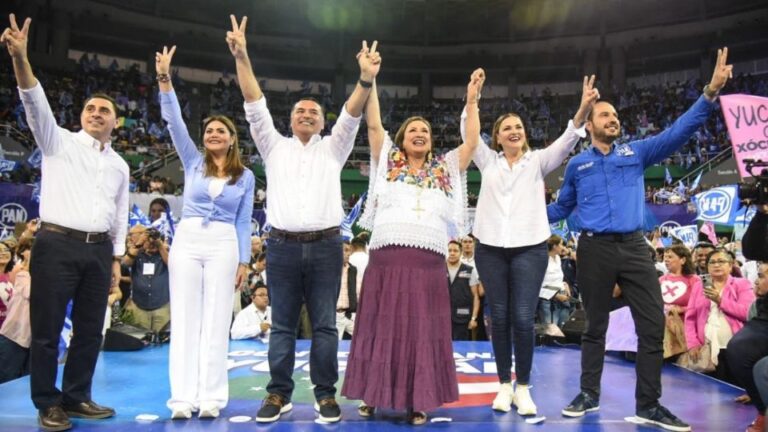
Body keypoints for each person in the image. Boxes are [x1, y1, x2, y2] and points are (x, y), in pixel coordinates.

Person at [547, 48, 733, 431]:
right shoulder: (577, 165)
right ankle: (588, 395)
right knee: (594, 326)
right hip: (594, 248)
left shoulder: (637, 152)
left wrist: (709, 94)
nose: (613, 119)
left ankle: (648, 405)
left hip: (634, 248)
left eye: (616, 116)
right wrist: (516, 218)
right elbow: (560, 208)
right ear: (591, 124)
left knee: (651, 325)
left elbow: (679, 131)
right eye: (606, 115)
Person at [228, 15, 379, 423]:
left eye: (314, 111)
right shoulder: (272, 146)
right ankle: (278, 395)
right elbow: (254, 104)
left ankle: (326, 395)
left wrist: (364, 81)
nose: (308, 114)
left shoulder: (335, 148)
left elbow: (351, 114)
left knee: (326, 326)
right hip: (281, 247)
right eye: (301, 111)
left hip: (328, 246)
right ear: (291, 119)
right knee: (281, 327)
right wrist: (242, 56)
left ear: (322, 121)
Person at [3, 14, 129, 432]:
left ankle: (77, 396)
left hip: (98, 250)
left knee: (91, 330)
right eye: (91, 108)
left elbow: (120, 212)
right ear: (82, 115)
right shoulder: (56, 141)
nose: (97, 113)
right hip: (56, 245)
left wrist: (115, 257)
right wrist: (21, 58)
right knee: (47, 328)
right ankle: (47, 402)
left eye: (105, 110)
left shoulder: (121, 165)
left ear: (116, 121)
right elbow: (32, 99)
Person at [342, 64, 484, 425]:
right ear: (403, 138)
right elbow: (373, 124)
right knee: (381, 327)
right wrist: (369, 78)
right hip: (387, 261)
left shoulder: (447, 168)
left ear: (432, 141)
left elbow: (471, 142)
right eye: (413, 130)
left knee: (422, 331)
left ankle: (419, 399)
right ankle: (373, 395)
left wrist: (472, 100)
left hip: (428, 266)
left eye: (426, 131)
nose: (419, 134)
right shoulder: (388, 159)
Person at [462, 75, 598, 415]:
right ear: (497, 137)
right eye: (506, 128)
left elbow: (568, 140)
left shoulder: (538, 161)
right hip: (491, 248)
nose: (513, 131)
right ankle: (503, 386)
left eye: (518, 127)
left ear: (525, 133)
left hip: (529, 249)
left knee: (523, 318)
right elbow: (470, 132)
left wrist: (582, 109)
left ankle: (523, 386)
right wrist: (472, 100)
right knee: (500, 316)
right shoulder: (487, 160)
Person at [156, 44, 255, 420]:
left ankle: (212, 396)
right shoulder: (192, 161)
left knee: (216, 320)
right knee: (185, 317)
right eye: (209, 130)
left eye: (221, 130)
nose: (213, 133)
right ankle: (182, 398)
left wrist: (244, 259)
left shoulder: (245, 177)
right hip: (188, 240)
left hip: (224, 244)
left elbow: (244, 221)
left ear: (232, 139)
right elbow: (173, 122)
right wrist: (165, 79)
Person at [681, 249, 754, 380]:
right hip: (706, 347)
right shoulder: (699, 286)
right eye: (712, 262)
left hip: (734, 347)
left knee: (735, 386)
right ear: (707, 267)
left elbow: (747, 313)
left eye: (721, 261)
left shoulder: (742, 284)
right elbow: (690, 318)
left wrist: (720, 301)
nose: (716, 265)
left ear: (730, 266)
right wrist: (692, 343)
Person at [727, 261, 768, 432]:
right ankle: (763, 410)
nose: (756, 282)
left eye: (761, 276)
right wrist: (755, 390)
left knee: (762, 370)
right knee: (742, 350)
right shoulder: (757, 306)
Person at [122, 226, 170, 332]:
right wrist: (139, 243)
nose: (151, 242)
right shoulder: (137, 253)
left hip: (162, 305)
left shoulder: (164, 253)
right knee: (140, 338)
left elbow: (172, 265)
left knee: (161, 342)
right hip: (139, 306)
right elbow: (125, 264)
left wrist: (160, 245)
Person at [658, 244, 699, 359]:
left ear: (683, 260)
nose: (666, 260)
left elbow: (699, 305)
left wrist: (681, 309)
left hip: (684, 329)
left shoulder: (695, 280)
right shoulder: (661, 280)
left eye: (670, 257)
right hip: (662, 327)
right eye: (665, 257)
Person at [446, 240, 480, 341]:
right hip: (443, 317)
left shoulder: (469, 270)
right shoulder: (439, 270)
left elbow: (476, 296)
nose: (452, 253)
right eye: (449, 250)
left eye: (455, 251)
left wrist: (473, 318)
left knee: (461, 347)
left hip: (462, 317)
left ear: (460, 253)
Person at [539, 235, 573, 327]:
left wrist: (564, 284)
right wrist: (556, 295)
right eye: (561, 244)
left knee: (564, 328)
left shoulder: (557, 258)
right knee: (551, 331)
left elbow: (557, 278)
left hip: (563, 297)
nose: (563, 247)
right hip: (548, 300)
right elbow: (537, 285)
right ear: (554, 246)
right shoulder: (542, 260)